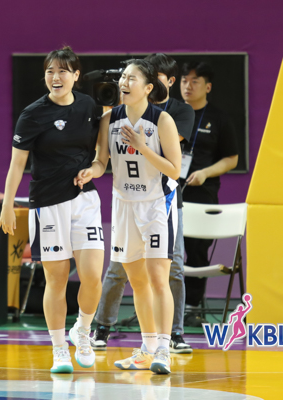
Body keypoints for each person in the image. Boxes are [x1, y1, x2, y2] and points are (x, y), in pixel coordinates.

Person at [0, 46, 104, 374]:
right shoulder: (33, 114)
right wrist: (6, 205)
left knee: (92, 277)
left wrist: (93, 171)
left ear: (76, 75)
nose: (55, 77)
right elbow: (17, 165)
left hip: (85, 201)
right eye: (50, 71)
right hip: (47, 204)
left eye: (62, 71)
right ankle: (59, 349)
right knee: (55, 280)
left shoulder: (90, 107)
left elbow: (101, 158)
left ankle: (82, 331)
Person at [76, 59, 181, 374]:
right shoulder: (109, 118)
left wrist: (142, 147)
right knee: (137, 281)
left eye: (131, 78)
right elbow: (101, 161)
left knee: (158, 279)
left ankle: (164, 349)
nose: (124, 82)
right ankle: (147, 349)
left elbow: (175, 170)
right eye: (123, 77)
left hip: (156, 204)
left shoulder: (161, 120)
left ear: (148, 88)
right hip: (124, 204)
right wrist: (90, 172)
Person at [179, 62, 238, 326]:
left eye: (195, 81)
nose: (188, 86)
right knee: (163, 251)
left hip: (201, 194)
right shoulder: (169, 114)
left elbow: (232, 158)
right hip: (168, 192)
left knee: (196, 252)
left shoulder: (219, 118)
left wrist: (205, 172)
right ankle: (162, 306)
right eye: (184, 80)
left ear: (208, 86)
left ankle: (191, 307)